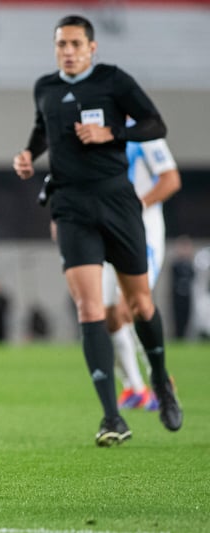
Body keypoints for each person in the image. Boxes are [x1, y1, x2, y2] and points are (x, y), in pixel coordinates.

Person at [12, 15, 182, 446]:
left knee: (139, 304)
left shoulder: (113, 81)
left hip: (118, 202)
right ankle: (112, 417)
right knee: (91, 309)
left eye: (75, 44)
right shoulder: (45, 87)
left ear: (92, 47)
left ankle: (161, 382)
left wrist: (112, 132)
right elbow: (43, 128)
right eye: (61, 44)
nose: (68, 51)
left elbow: (155, 124)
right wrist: (29, 154)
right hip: (70, 206)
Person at [104, 128, 181, 411]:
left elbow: (171, 180)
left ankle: (160, 382)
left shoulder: (144, 134)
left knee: (131, 305)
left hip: (143, 234)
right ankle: (134, 388)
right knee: (108, 314)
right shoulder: (99, 133)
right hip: (109, 231)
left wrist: (138, 204)